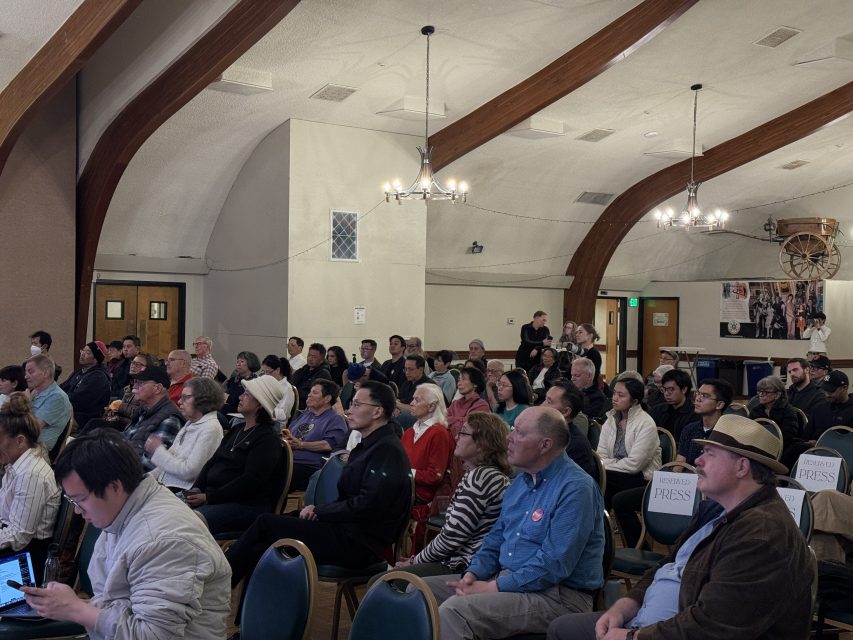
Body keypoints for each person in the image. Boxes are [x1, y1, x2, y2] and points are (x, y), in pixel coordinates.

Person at [546, 414, 813, 640]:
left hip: (671, 632)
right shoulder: (715, 509)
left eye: (710, 453)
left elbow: (713, 626)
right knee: (561, 628)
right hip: (650, 622)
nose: (697, 460)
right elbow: (667, 564)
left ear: (742, 466)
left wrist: (632, 636)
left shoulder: (762, 534)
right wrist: (627, 604)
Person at [22, 429, 231, 638]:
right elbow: (117, 600)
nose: (77, 510)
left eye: (81, 499)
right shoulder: (126, 510)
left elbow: (152, 635)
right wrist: (66, 605)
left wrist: (76, 609)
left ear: (114, 487)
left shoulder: (164, 540)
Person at [421, 406, 605, 640]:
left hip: (559, 596)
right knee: (417, 592)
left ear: (545, 445)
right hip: (508, 580)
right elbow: (495, 539)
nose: (509, 437)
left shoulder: (576, 488)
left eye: (519, 432)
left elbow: (554, 564)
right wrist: (474, 573)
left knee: (456, 612)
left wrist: (491, 588)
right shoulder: (520, 482)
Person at [225, 381, 411, 589]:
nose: (349, 410)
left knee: (265, 524)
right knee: (261, 542)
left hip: (359, 543)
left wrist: (321, 511)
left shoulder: (387, 450)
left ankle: (217, 587)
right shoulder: (371, 445)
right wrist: (319, 512)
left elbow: (366, 505)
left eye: (357, 404)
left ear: (377, 411)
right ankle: (248, 613)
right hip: (345, 529)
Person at [393, 412, 510, 577]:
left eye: (463, 432)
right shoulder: (484, 475)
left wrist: (416, 561)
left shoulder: (481, 477)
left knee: (383, 582)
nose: (456, 437)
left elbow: (452, 538)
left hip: (464, 564)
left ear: (482, 444)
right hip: (463, 560)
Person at [187, 375, 284, 534]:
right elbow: (212, 462)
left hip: (245, 505)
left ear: (259, 404)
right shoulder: (237, 430)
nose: (240, 396)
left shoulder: (267, 439)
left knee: (188, 521)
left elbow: (250, 482)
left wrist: (209, 498)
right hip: (215, 497)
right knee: (170, 510)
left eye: (246, 394)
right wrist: (196, 488)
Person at [0, 393, 61, 580]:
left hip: (27, 559)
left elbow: (19, 537)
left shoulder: (30, 474)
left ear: (20, 441)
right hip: (15, 544)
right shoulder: (16, 464)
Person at [146, 377, 225, 491]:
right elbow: (168, 460)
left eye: (185, 397)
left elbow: (189, 472)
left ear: (203, 400)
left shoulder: (211, 428)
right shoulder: (190, 423)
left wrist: (158, 450)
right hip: (165, 485)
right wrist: (146, 478)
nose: (179, 401)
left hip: (181, 491)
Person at [402, 384, 455, 548]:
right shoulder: (410, 432)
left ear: (432, 406)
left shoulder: (439, 433)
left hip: (421, 496)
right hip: (405, 490)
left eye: (417, 400)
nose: (411, 403)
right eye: (412, 399)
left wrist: (405, 472)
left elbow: (434, 476)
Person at [597, 378, 661, 508]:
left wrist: (604, 466)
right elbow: (600, 455)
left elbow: (634, 465)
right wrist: (604, 465)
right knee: (598, 481)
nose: (614, 398)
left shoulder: (646, 423)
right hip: (615, 474)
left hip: (642, 478)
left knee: (598, 477)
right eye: (614, 393)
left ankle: (603, 523)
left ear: (635, 401)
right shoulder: (610, 419)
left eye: (621, 395)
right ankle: (602, 522)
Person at [282, 380, 348, 490]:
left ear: (327, 398)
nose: (309, 395)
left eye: (315, 393)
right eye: (310, 392)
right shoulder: (305, 415)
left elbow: (329, 444)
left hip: (308, 466)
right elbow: (290, 433)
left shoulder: (335, 419)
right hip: (289, 460)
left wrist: (301, 445)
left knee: (273, 475)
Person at [118, 366, 183, 471]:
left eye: (140, 383)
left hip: (131, 478)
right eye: (135, 382)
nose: (134, 387)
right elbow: (126, 438)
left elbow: (150, 465)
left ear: (157, 388)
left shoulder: (170, 420)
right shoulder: (144, 410)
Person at [675, 378, 734, 469]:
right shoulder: (689, 429)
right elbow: (679, 463)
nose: (698, 399)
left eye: (705, 396)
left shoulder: (727, 433)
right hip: (689, 479)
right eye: (698, 393)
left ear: (719, 405)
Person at [543, 379, 596, 478]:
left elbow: (555, 483)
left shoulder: (575, 446)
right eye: (545, 399)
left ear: (566, 412)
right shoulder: (545, 432)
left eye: (549, 402)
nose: (542, 405)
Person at [748, 375, 802, 467]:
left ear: (777, 395)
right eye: (759, 391)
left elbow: (789, 435)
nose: (761, 395)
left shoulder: (788, 411)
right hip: (758, 448)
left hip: (782, 449)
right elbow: (748, 431)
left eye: (765, 392)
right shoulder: (755, 411)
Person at [24, 354, 72, 452]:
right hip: (24, 442)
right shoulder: (35, 392)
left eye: (30, 372)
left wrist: (26, 404)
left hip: (37, 449)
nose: (25, 376)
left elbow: (33, 427)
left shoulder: (57, 397)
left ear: (45, 373)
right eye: (26, 372)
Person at [60, 342, 112, 430]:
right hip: (68, 412)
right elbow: (62, 388)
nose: (82, 354)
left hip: (82, 419)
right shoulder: (79, 372)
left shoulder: (98, 377)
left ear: (96, 359)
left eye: (88, 352)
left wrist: (58, 400)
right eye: (83, 350)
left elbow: (79, 400)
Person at [786, 357, 831, 437]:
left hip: (803, 438)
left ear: (807, 370)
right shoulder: (787, 393)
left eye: (795, 370)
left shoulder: (819, 395)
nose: (792, 374)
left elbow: (813, 423)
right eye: (789, 371)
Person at [649, 368, 696, 443]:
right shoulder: (657, 410)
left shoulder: (694, 414)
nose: (667, 393)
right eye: (664, 389)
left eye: (671, 389)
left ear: (684, 389)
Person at [260, 354, 295, 425]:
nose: (265, 375)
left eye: (268, 372)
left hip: (276, 424)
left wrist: (265, 409)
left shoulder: (287, 389)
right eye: (263, 372)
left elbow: (284, 415)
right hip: (263, 419)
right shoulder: (267, 384)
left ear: (278, 370)